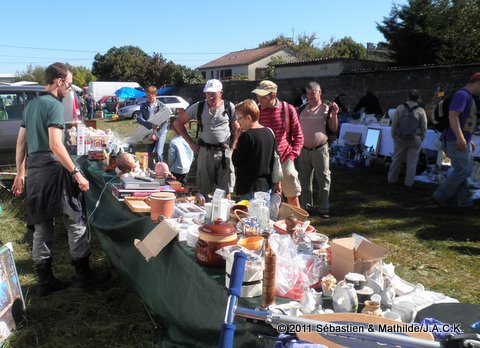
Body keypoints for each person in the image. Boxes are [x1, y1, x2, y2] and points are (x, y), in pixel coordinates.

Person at [11, 62, 110, 297]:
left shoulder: (30, 105)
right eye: (68, 83)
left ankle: (45, 281)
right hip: (55, 171)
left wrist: (20, 172)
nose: (69, 88)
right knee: (75, 220)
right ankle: (84, 276)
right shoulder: (54, 106)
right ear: (58, 81)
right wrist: (76, 172)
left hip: (35, 171)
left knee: (42, 226)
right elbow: (56, 145)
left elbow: (20, 144)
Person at [173, 79, 240, 199]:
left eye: (214, 93)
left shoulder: (229, 106)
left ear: (221, 93)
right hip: (205, 151)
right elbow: (178, 123)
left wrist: (234, 146)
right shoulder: (198, 107)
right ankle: (204, 213)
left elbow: (238, 128)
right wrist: (191, 144)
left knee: (226, 190)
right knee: (203, 190)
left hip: (225, 152)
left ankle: (225, 215)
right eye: (208, 93)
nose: (211, 96)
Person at [252, 80, 304, 207]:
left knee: (292, 196)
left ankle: (296, 224)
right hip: (264, 162)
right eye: (258, 96)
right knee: (262, 200)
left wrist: (292, 156)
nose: (259, 99)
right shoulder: (256, 112)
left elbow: (299, 136)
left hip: (285, 158)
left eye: (262, 97)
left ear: (273, 96)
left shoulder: (288, 109)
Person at [433, 73, 480, 209]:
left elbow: (464, 120)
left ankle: (465, 202)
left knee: (462, 170)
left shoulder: (468, 96)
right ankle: (440, 195)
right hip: (455, 140)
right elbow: (453, 116)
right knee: (464, 170)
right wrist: (460, 137)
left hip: (461, 140)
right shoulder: (462, 95)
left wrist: (466, 138)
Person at [297, 82, 339, 219]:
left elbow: (333, 128)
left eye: (313, 93)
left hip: (320, 149)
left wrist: (334, 113)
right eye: (308, 94)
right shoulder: (302, 108)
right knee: (304, 180)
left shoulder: (327, 108)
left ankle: (324, 208)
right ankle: (306, 206)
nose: (310, 96)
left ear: (319, 92)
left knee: (324, 180)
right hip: (303, 150)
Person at [232, 99, 281, 201]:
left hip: (249, 187)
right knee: (263, 216)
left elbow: (236, 160)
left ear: (248, 118)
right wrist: (277, 182)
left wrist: (236, 140)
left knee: (248, 216)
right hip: (266, 186)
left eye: (239, 118)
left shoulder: (246, 136)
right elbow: (275, 158)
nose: (238, 122)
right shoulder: (269, 132)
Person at [387, 90, 428, 187]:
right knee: (412, 162)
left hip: (400, 138)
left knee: (396, 159)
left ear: (407, 97)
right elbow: (424, 126)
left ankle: (392, 179)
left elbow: (394, 124)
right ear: (418, 98)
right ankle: (409, 182)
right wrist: (421, 137)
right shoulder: (421, 110)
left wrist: (394, 136)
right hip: (415, 139)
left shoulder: (400, 108)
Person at [136, 86, 169, 167]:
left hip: (161, 132)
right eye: (147, 96)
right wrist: (150, 125)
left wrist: (157, 135)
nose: (148, 98)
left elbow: (165, 122)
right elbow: (139, 118)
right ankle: (150, 170)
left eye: (149, 96)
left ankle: (161, 170)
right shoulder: (143, 105)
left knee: (158, 152)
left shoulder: (162, 106)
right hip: (148, 131)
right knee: (150, 153)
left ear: (155, 95)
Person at [168, 117, 194, 185]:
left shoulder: (174, 141)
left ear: (173, 129)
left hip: (176, 168)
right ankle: (185, 192)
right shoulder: (188, 140)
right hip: (186, 167)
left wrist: (169, 166)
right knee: (183, 182)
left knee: (175, 184)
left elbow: (171, 156)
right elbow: (192, 153)